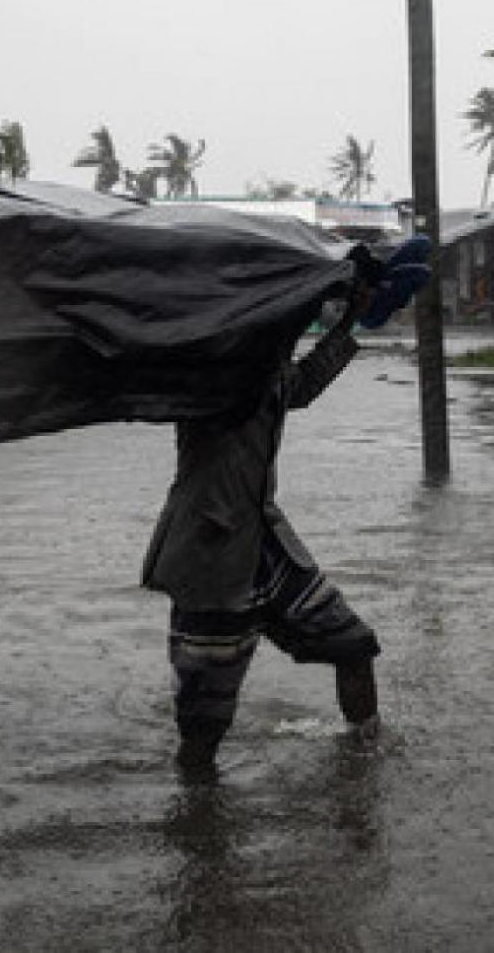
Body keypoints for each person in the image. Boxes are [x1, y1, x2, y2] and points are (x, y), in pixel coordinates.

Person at [142, 277, 383, 772]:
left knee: (353, 646)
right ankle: (197, 823)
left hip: (265, 545)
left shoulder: (268, 372)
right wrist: (308, 302)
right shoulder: (212, 380)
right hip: (209, 553)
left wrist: (348, 319)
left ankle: (367, 765)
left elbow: (305, 383)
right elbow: (251, 386)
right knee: (205, 722)